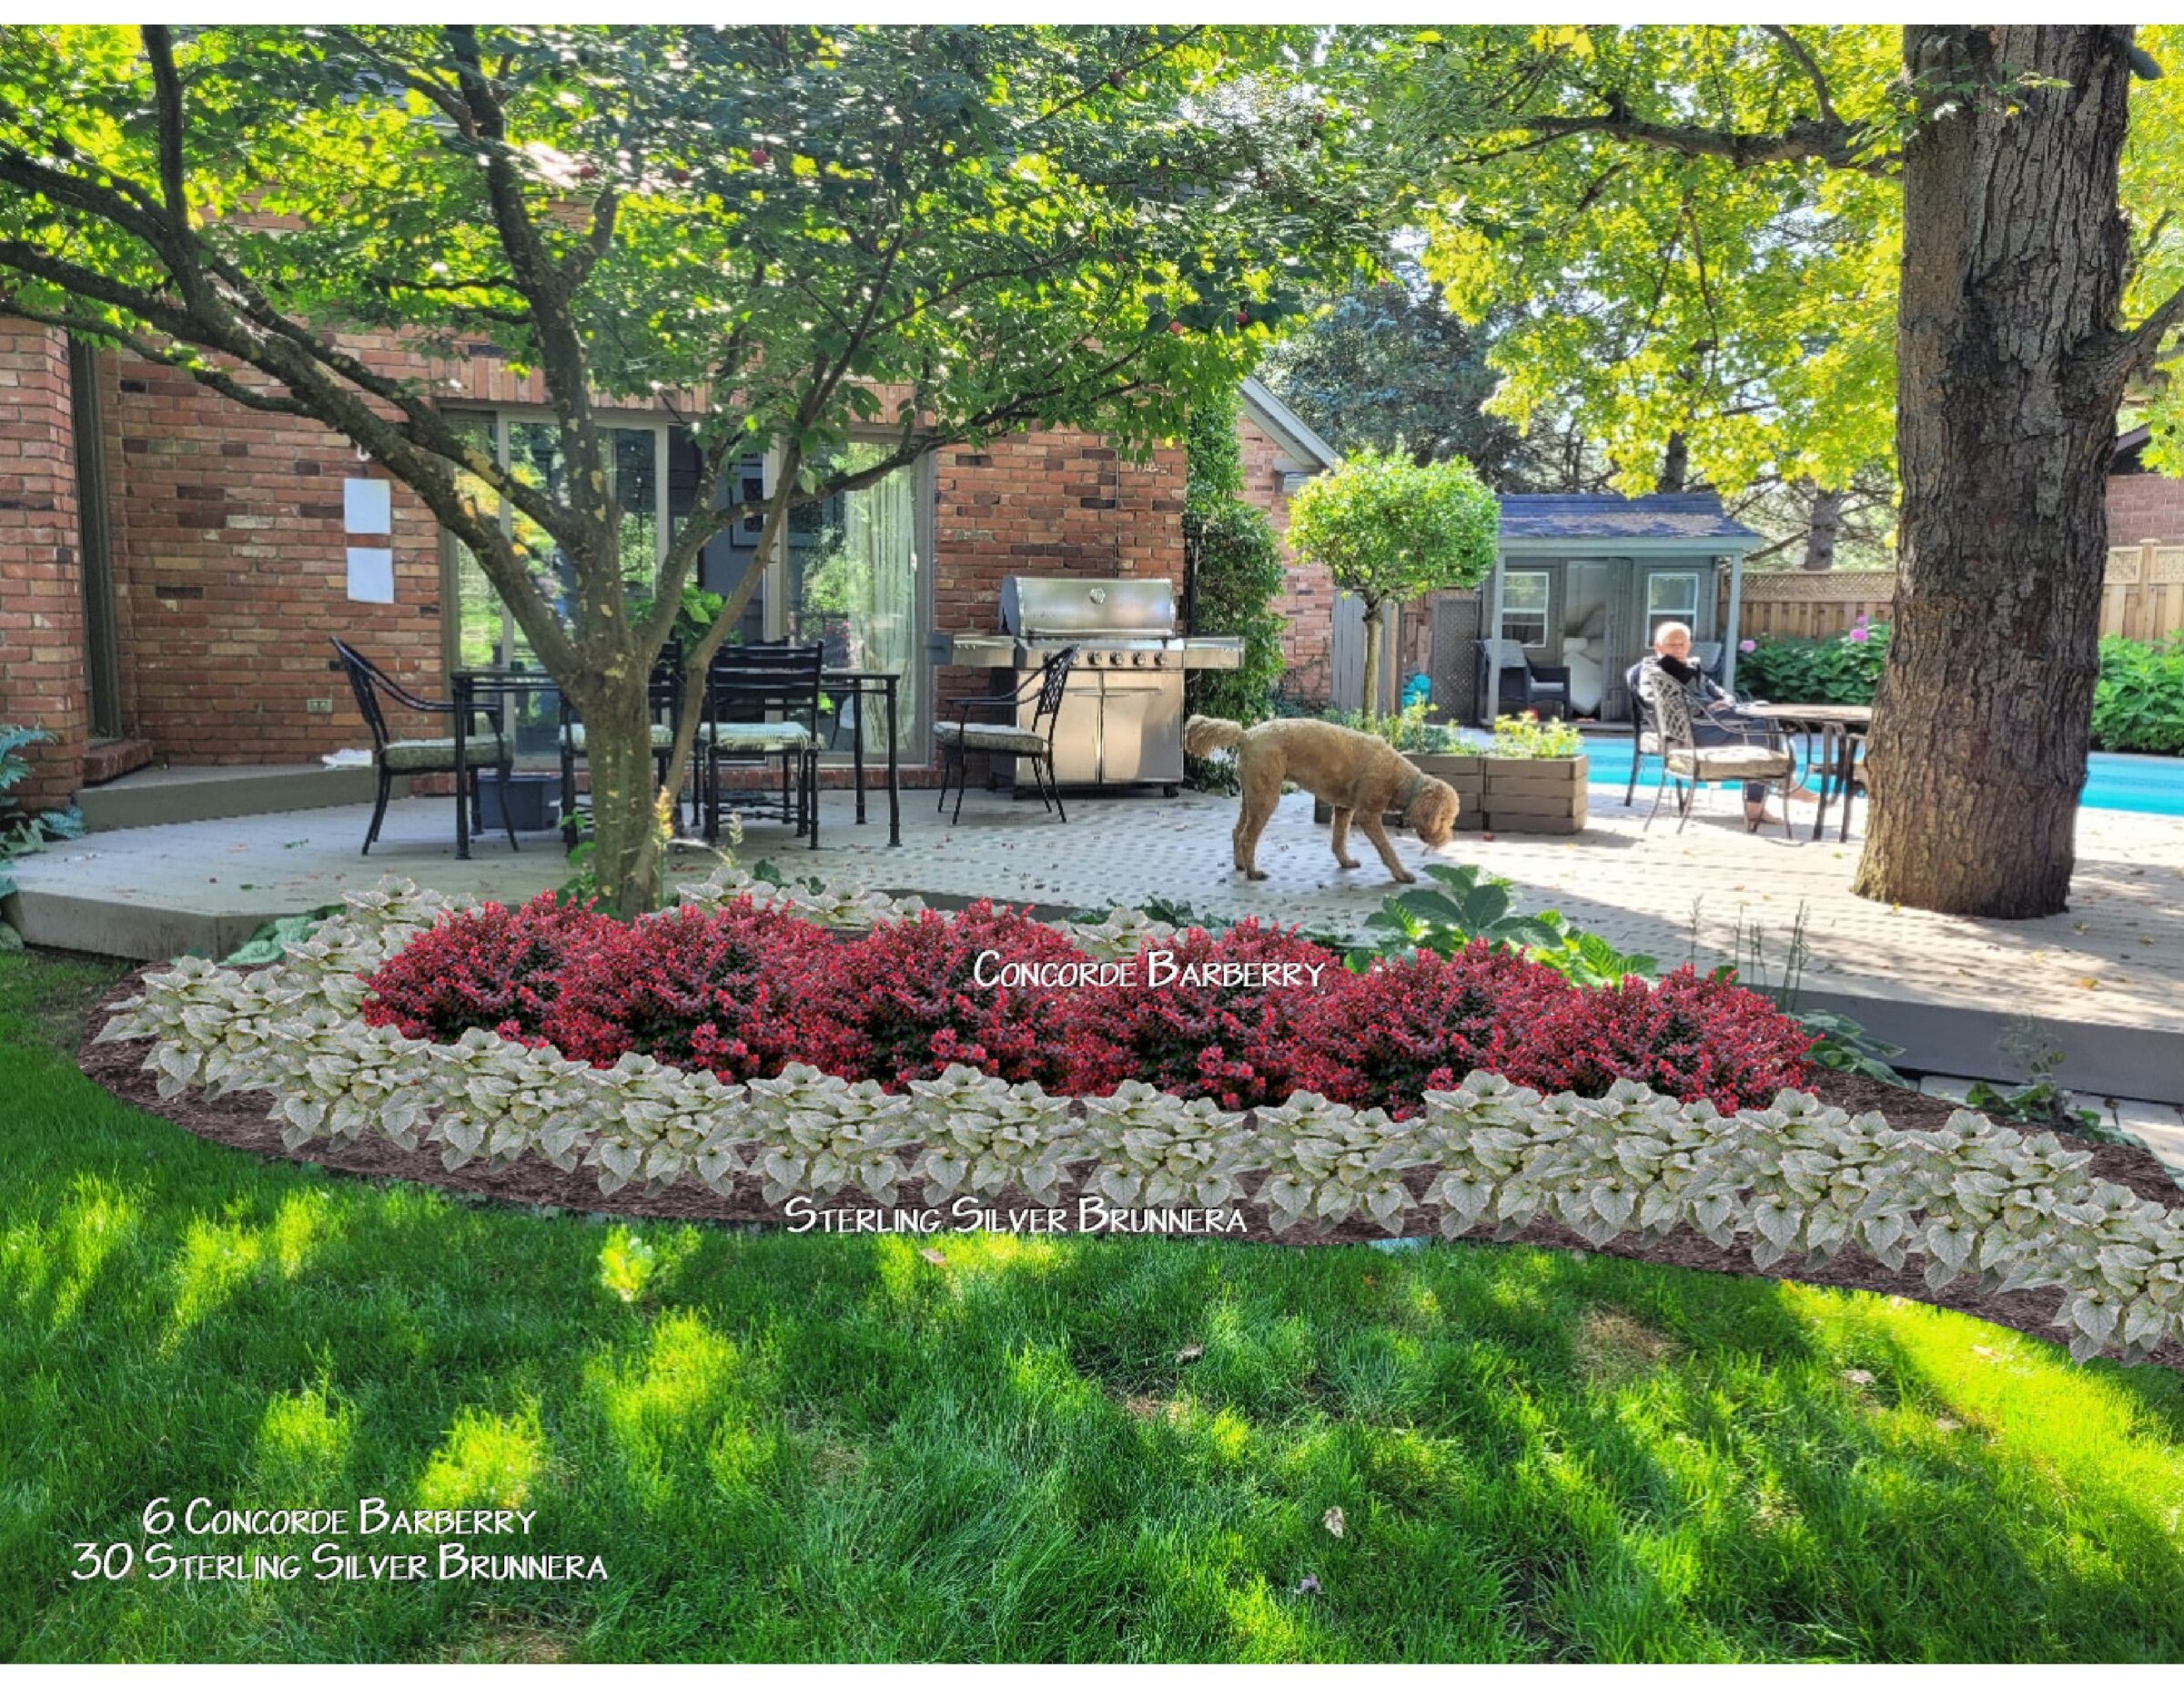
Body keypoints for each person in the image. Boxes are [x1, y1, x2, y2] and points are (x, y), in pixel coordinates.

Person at [1626, 622, 1796, 829]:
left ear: (1689, 645)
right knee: (1765, 727)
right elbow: (1657, 700)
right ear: (1658, 646)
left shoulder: (1690, 667)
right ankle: (1774, 792)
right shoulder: (1654, 671)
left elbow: (1719, 691)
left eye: (1683, 643)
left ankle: (1772, 792)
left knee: (1765, 713)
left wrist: (1726, 702)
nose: (1678, 649)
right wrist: (1706, 707)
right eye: (1672, 645)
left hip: (1713, 722)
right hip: (1690, 731)